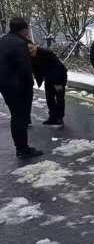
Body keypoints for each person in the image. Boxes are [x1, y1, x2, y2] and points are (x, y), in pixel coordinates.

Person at [0, 17, 43, 159]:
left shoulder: (3, 40)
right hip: (18, 86)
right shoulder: (20, 44)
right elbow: (24, 67)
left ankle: (21, 147)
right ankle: (23, 149)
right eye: (27, 29)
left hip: (5, 85)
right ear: (23, 30)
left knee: (16, 116)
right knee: (21, 117)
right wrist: (30, 84)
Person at [28, 43, 68, 126]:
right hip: (49, 78)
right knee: (49, 98)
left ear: (35, 46)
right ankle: (52, 118)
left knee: (59, 98)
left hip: (58, 78)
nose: (30, 50)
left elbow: (58, 67)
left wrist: (58, 82)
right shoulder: (30, 57)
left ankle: (59, 118)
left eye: (31, 48)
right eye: (28, 49)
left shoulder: (46, 53)